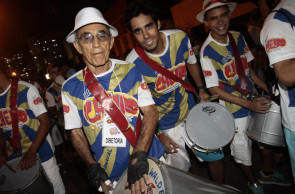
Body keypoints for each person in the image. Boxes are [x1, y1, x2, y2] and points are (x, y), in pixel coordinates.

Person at [62, 7, 165, 194]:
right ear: (77, 46)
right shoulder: (69, 88)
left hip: (149, 158)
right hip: (112, 174)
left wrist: (140, 154)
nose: (96, 44)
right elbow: (75, 132)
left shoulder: (130, 70)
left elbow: (151, 112)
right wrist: (91, 165)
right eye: (87, 37)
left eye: (102, 36)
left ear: (110, 41)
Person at [124, 0, 214, 173]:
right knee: (179, 172)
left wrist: (201, 88)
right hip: (165, 125)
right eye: (138, 31)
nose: (146, 35)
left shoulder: (179, 38)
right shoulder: (132, 62)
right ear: (133, 36)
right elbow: (138, 108)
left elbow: (192, 62)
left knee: (212, 156)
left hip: (191, 112)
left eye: (148, 26)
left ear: (158, 24)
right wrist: (159, 135)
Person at [197, 0, 274, 193]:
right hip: (234, 110)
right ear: (206, 22)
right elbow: (214, 90)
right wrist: (249, 104)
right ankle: (252, 182)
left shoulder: (238, 37)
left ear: (229, 15)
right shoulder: (207, 50)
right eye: (213, 18)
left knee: (266, 140)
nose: (220, 21)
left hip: (253, 99)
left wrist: (265, 86)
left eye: (223, 15)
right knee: (243, 150)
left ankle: (267, 172)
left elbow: (248, 70)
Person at [0, 64, 65, 194]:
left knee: (55, 189)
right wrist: (1, 154)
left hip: (41, 153)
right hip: (16, 159)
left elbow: (45, 122)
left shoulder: (25, 89)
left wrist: (31, 152)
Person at [260, 0, 295, 184]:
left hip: (269, 88)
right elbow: (286, 73)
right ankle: (265, 174)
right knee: (264, 139)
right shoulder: (277, 20)